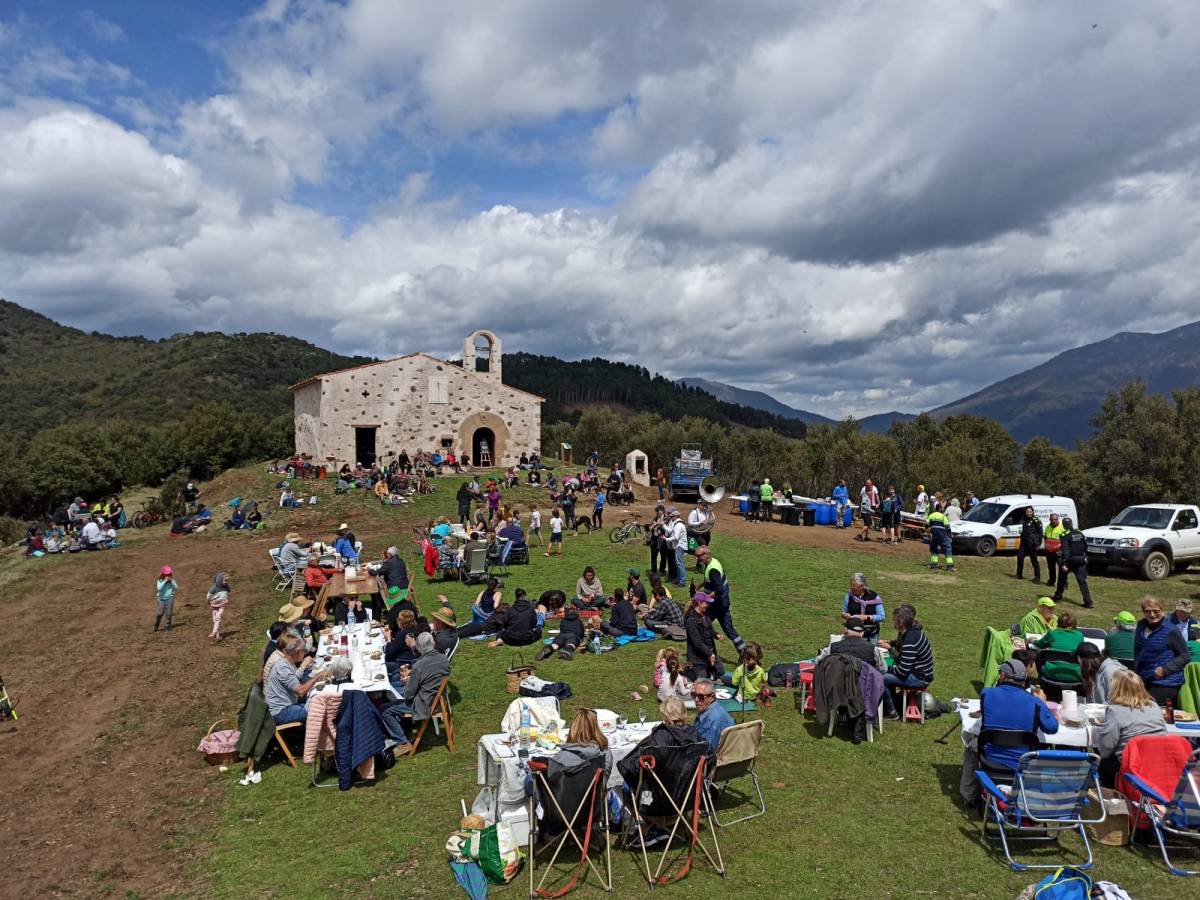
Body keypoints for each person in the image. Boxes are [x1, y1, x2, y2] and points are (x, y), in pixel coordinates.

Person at [959, 659, 1059, 805]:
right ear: (1024, 679)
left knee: (971, 745)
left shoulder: (987, 694)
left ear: (1002, 676)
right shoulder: (1034, 702)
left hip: (990, 757)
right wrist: (1043, 704)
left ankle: (968, 795)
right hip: (1022, 760)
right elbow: (1052, 728)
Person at [1094, 668, 1168, 787]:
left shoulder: (1114, 711)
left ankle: (1110, 798)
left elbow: (1106, 748)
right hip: (1158, 763)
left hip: (1132, 765)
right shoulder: (1154, 706)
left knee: (1104, 761)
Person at [380, 632, 451, 746]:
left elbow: (408, 695)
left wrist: (407, 682)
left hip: (424, 704)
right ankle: (406, 730)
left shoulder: (419, 666)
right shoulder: (444, 659)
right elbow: (431, 675)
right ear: (433, 643)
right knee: (394, 693)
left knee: (385, 709)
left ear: (418, 647)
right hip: (439, 700)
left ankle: (402, 741)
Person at [879, 605, 934, 719]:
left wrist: (887, 669)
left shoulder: (910, 639)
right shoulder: (912, 632)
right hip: (919, 673)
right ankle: (895, 703)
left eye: (894, 620)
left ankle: (891, 711)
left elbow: (902, 671)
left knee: (881, 677)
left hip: (919, 678)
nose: (893, 622)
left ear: (901, 622)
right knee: (886, 673)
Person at [1134, 596, 1190, 706]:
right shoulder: (1141, 627)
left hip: (1166, 682)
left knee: (1146, 708)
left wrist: (1165, 669)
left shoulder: (1171, 630)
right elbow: (1137, 652)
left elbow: (1185, 656)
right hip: (1144, 679)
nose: (1152, 615)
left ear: (1162, 610)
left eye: (1156, 611)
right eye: (1147, 611)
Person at [265, 635, 328, 725]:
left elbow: (294, 678)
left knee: (317, 699)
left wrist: (305, 666)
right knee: (318, 710)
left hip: (288, 703)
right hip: (281, 712)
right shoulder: (282, 668)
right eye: (304, 650)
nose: (305, 652)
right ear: (297, 652)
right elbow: (300, 691)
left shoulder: (286, 662)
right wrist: (318, 676)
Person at [694, 544, 744, 652]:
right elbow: (709, 580)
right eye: (696, 556)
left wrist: (705, 597)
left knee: (701, 624)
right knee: (728, 629)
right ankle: (744, 652)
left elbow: (719, 589)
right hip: (723, 603)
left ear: (706, 554)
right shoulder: (712, 563)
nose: (697, 558)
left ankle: (706, 651)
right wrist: (698, 586)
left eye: (699, 556)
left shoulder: (713, 569)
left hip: (716, 605)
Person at [1053, 517, 1093, 608]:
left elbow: (1065, 550)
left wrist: (1064, 563)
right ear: (1071, 524)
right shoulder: (1080, 533)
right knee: (1082, 581)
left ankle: (1058, 596)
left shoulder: (1065, 535)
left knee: (1062, 579)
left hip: (1071, 560)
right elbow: (1086, 547)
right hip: (1081, 559)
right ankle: (1088, 602)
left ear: (1063, 525)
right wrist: (1085, 557)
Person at [1033, 613, 1084, 683]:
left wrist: (1032, 640)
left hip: (1051, 672)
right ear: (1074, 624)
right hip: (1074, 674)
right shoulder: (1079, 635)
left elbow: (1040, 645)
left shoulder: (1052, 633)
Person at [684, 592, 722, 680]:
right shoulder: (691, 621)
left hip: (710, 654)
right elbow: (697, 643)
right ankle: (688, 672)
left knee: (721, 673)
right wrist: (710, 654)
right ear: (699, 603)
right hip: (698, 659)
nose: (708, 605)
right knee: (703, 681)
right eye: (706, 603)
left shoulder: (705, 616)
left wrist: (716, 634)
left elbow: (709, 630)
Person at [691, 678, 734, 752]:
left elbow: (706, 751)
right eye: (694, 695)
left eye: (701, 696)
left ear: (712, 697)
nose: (696, 699)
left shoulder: (711, 721)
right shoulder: (714, 708)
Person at [841, 572, 885, 643]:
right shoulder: (849, 596)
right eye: (851, 585)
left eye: (854, 586)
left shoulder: (874, 596)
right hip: (852, 634)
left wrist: (866, 617)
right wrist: (846, 615)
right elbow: (843, 612)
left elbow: (882, 616)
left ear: (862, 586)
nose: (852, 588)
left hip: (871, 636)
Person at [1015, 506, 1043, 582]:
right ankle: (1019, 574)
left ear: (1033, 512)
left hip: (1032, 544)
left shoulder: (1036, 521)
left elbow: (1040, 534)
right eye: (1027, 512)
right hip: (1023, 543)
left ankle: (1037, 578)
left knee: (1034, 560)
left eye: (1030, 511)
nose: (1029, 513)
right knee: (1020, 557)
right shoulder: (1023, 519)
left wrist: (1039, 544)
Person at [1042, 512, 1067, 587]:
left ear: (1058, 519)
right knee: (1051, 567)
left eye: (1055, 519)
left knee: (1061, 567)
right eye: (1052, 519)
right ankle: (1051, 581)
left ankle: (1064, 583)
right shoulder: (1048, 527)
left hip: (1059, 551)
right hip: (1049, 551)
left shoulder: (1062, 528)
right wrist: (1046, 546)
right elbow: (1045, 537)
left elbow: (1065, 540)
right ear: (1050, 519)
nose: (1054, 521)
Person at [927, 505, 953, 571]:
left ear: (936, 508)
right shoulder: (943, 516)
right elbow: (948, 527)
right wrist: (950, 536)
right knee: (947, 549)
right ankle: (949, 566)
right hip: (943, 536)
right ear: (940, 509)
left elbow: (926, 525)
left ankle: (934, 565)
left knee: (934, 550)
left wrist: (928, 533)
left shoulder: (931, 515)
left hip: (934, 536)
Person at [208, 572, 230, 643]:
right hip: (214, 605)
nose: (226, 582)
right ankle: (218, 635)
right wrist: (210, 602)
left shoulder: (226, 587)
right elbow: (208, 596)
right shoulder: (214, 588)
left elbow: (229, 590)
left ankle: (214, 632)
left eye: (227, 581)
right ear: (219, 580)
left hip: (222, 606)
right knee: (215, 620)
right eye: (225, 581)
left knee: (218, 618)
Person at [154, 566, 177, 632]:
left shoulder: (172, 580)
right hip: (161, 599)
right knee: (159, 613)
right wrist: (164, 581)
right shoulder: (160, 580)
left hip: (170, 598)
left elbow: (176, 587)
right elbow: (159, 588)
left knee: (169, 614)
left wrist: (172, 582)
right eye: (167, 574)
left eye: (170, 574)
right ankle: (157, 624)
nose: (169, 575)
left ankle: (168, 626)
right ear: (163, 574)